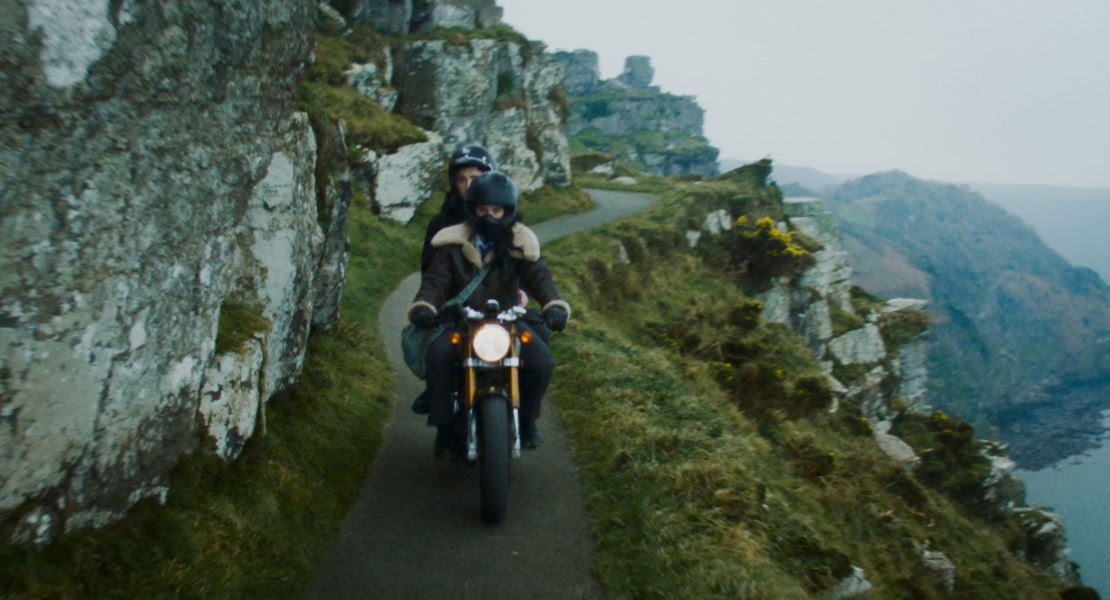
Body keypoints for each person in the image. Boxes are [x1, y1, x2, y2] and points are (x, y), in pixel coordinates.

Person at [407, 172, 570, 455]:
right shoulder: (452, 244)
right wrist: (425, 306)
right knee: (438, 355)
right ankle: (443, 428)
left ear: (508, 210)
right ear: (472, 209)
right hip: (463, 320)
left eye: (496, 210)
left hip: (508, 322)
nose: (489, 216)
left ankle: (527, 423)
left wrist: (554, 305)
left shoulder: (521, 243)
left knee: (542, 362)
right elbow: (435, 281)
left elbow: (540, 277)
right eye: (483, 210)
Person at [420, 144, 497, 273]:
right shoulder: (440, 223)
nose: (468, 186)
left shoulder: (503, 218)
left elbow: (522, 267)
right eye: (462, 180)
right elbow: (430, 272)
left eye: (474, 178)